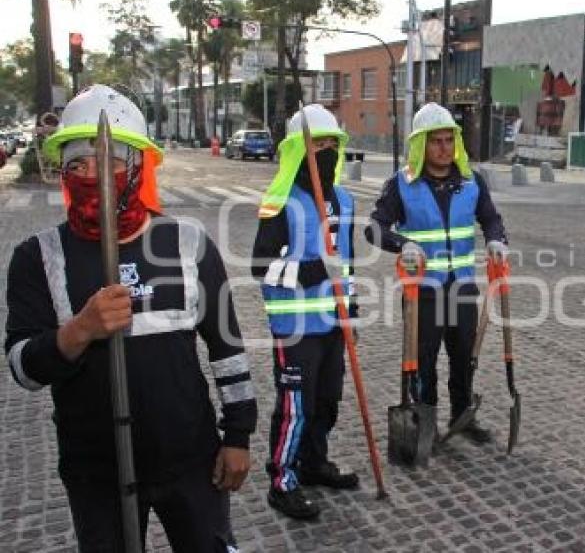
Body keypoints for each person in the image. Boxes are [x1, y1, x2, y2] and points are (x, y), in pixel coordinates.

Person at [4, 85, 257, 551]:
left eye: (108, 162)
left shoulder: (188, 242)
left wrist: (238, 435)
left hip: (191, 460)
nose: (91, 175)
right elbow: (22, 368)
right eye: (77, 164)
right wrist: (79, 331)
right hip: (96, 470)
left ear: (137, 166)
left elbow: (227, 349)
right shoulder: (37, 257)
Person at [365, 102, 508, 445]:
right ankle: (423, 424)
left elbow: (490, 217)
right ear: (421, 144)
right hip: (423, 293)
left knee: (463, 359)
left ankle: (463, 417)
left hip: (461, 288)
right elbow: (374, 228)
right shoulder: (402, 184)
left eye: (449, 140)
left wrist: (496, 240)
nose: (444, 148)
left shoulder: (472, 182)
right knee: (422, 363)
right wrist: (403, 244)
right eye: (436, 141)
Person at [253, 104, 359, 521]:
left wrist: (351, 306)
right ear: (299, 149)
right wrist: (310, 269)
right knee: (295, 406)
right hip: (294, 327)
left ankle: (314, 463)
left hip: (334, 323)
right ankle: (282, 480)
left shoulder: (345, 200)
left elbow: (346, 262)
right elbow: (260, 267)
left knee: (327, 401)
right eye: (318, 144)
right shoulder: (280, 201)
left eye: (332, 143)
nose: (327, 150)